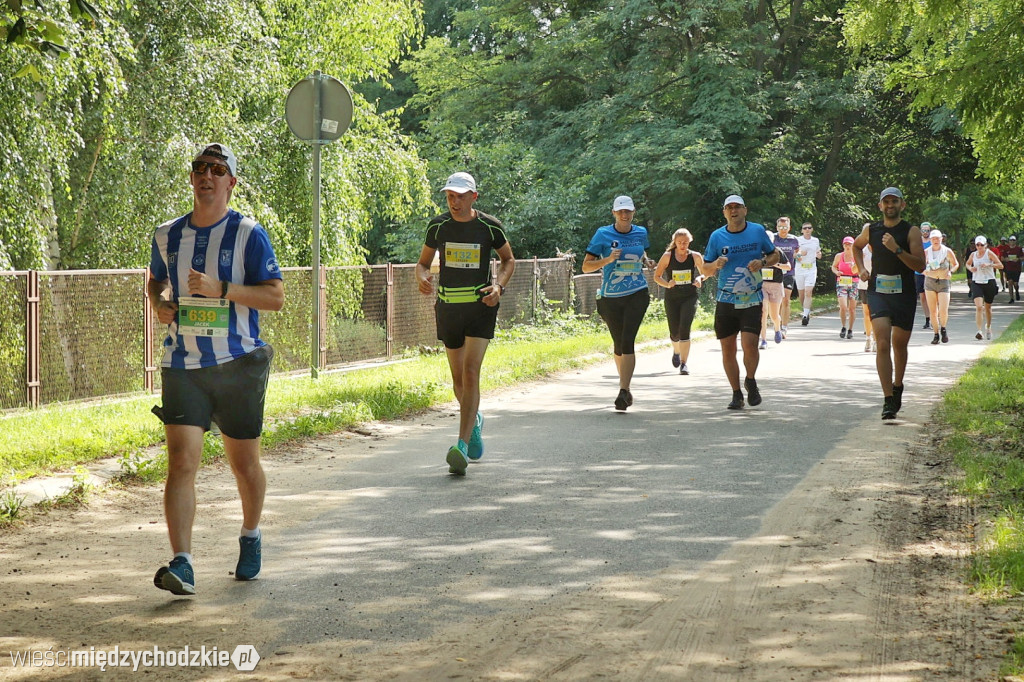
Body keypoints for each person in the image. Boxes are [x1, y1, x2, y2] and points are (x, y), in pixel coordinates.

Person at [148, 143, 284, 596]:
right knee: (181, 459)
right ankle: (182, 563)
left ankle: (250, 533)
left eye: (217, 169)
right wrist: (161, 303)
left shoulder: (248, 234)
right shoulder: (167, 235)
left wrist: (222, 289)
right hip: (183, 364)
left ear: (231, 183)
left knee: (244, 464)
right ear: (192, 178)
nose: (207, 175)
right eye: (200, 168)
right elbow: (157, 277)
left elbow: (275, 296)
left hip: (238, 363)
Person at [416, 172, 516, 476]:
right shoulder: (437, 225)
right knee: (458, 379)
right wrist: (422, 277)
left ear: (474, 196)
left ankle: (460, 444)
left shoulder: (489, 226)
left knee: (471, 372)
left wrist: (498, 287)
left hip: (479, 306)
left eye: (460, 196)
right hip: (448, 307)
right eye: (449, 196)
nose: (454, 202)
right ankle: (474, 422)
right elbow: (422, 263)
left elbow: (509, 260)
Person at [699, 194, 780, 409]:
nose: (733, 211)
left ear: (745, 210)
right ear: (724, 212)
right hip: (725, 299)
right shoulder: (717, 237)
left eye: (737, 207)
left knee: (750, 345)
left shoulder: (756, 231)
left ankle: (750, 380)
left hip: (751, 298)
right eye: (729, 207)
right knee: (728, 349)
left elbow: (775, 256)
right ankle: (736, 393)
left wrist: (762, 262)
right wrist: (716, 263)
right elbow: (704, 269)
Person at [852, 187, 925, 420]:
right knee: (882, 343)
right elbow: (856, 246)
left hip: (903, 293)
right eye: (886, 202)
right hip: (878, 291)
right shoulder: (870, 229)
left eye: (894, 201)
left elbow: (920, 266)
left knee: (899, 344)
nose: (890, 205)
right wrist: (862, 268)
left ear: (902, 205)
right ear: (880, 206)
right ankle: (887, 399)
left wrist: (897, 249)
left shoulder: (911, 231)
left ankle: (898, 385)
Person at [582, 195, 653, 410]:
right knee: (618, 343)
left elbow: (641, 251)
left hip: (637, 293)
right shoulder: (602, 234)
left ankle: (623, 391)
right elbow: (586, 267)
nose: (625, 215)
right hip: (610, 298)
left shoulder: (641, 232)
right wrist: (608, 260)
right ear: (614, 213)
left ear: (633, 213)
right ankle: (625, 387)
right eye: (621, 211)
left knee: (628, 340)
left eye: (628, 211)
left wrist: (647, 261)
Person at [654, 228, 706, 375]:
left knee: (685, 329)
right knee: (674, 332)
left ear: (690, 241)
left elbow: (705, 273)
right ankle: (676, 351)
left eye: (685, 242)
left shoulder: (695, 256)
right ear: (675, 242)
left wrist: (699, 278)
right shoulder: (667, 256)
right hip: (672, 298)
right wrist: (667, 284)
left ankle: (684, 363)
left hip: (689, 296)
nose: (683, 245)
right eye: (679, 242)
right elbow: (656, 277)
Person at [922, 228, 959, 344]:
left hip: (943, 282)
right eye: (933, 239)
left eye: (937, 238)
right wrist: (924, 271)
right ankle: (936, 334)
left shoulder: (947, 251)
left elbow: (956, 264)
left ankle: (943, 328)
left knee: (943, 310)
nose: (935, 240)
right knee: (933, 311)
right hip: (930, 282)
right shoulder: (927, 252)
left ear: (941, 239)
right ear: (930, 240)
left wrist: (950, 271)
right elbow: (920, 266)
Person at [965, 236, 1003, 341]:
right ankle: (979, 331)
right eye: (977, 245)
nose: (979, 247)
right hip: (977, 282)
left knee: (987, 307)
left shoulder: (989, 253)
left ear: (985, 245)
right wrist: (971, 268)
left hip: (989, 282)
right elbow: (967, 264)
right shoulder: (973, 255)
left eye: (982, 245)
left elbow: (1000, 265)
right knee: (979, 307)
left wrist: (989, 264)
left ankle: (988, 327)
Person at [758, 232, 790, 347]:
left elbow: (788, 266)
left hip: (776, 285)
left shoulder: (778, 252)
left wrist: (776, 265)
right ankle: (763, 340)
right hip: (762, 284)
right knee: (763, 312)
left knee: (774, 315)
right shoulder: (758, 252)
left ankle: (777, 329)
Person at [772, 217, 799, 337]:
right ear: (777, 227)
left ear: (789, 228)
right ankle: (776, 323)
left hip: (788, 272)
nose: (783, 230)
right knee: (775, 301)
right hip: (774, 273)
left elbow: (797, 251)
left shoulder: (794, 239)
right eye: (781, 227)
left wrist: (798, 255)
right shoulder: (772, 238)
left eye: (785, 227)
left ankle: (784, 327)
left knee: (786, 299)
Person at [830, 236, 860, 339]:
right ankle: (843, 326)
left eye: (850, 244)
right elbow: (833, 266)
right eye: (846, 244)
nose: (847, 246)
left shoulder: (856, 256)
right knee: (843, 307)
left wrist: (855, 266)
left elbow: (860, 269)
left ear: (853, 245)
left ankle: (850, 329)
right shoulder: (839, 256)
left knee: (852, 308)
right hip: (842, 281)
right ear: (843, 245)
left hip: (854, 281)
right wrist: (836, 272)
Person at [794, 222, 821, 325]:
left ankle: (805, 316)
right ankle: (806, 311)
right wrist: (799, 255)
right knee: (801, 293)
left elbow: (819, 252)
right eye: (805, 228)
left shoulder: (815, 240)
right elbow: (794, 255)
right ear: (802, 230)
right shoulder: (798, 240)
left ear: (812, 229)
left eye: (809, 228)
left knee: (808, 292)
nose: (807, 229)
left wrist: (819, 255)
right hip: (800, 268)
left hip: (811, 268)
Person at [856, 228, 874, 352]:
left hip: (879, 285)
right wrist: (858, 264)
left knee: (878, 315)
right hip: (864, 285)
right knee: (867, 314)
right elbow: (853, 270)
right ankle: (868, 338)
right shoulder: (861, 251)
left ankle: (878, 340)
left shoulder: (881, 249)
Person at [916, 223, 933, 329]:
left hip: (931, 272)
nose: (925, 232)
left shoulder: (933, 241)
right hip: (919, 272)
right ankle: (927, 319)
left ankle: (933, 319)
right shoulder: (917, 242)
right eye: (923, 230)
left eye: (927, 230)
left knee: (931, 296)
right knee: (922, 296)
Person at [1001, 235, 1022, 303]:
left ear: (1015, 241)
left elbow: (1022, 257)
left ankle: (1017, 291)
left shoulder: (1019, 249)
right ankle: (1011, 298)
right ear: (1009, 241)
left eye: (1013, 240)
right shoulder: (1006, 249)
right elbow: (1002, 258)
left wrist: (1018, 259)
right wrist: (1006, 259)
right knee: (1010, 282)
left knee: (1015, 284)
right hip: (1008, 268)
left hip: (1017, 269)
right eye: (1011, 240)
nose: (1012, 242)